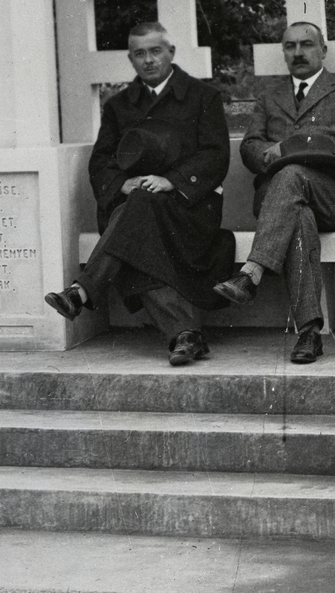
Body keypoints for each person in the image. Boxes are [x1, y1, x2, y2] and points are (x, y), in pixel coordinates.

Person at [43, 21, 235, 365]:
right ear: (130, 59)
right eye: (139, 53)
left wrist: (172, 180)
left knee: (135, 220)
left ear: (171, 52)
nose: (148, 60)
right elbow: (101, 160)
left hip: (189, 209)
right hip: (136, 206)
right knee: (139, 212)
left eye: (155, 51)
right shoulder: (119, 106)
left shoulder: (203, 96)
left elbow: (215, 155)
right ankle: (185, 335)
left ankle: (82, 290)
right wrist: (122, 183)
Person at [213, 21, 335, 365]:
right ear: (283, 52)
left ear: (323, 50)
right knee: (298, 216)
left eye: (306, 44)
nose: (298, 52)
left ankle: (252, 272)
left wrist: (287, 148)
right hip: (284, 203)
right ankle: (309, 333)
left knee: (291, 173)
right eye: (290, 46)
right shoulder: (269, 98)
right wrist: (269, 154)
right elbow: (250, 147)